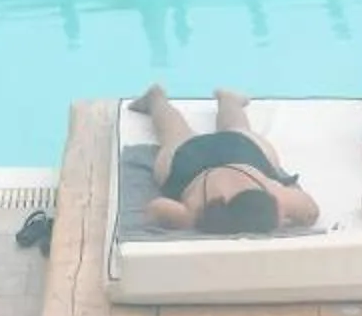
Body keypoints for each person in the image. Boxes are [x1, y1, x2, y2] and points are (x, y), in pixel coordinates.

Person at [131, 83, 320, 235]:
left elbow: (154, 208)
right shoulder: (195, 215)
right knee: (183, 134)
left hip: (212, 160)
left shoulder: (276, 196)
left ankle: (157, 98)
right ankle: (227, 99)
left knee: (176, 134)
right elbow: (311, 212)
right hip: (208, 164)